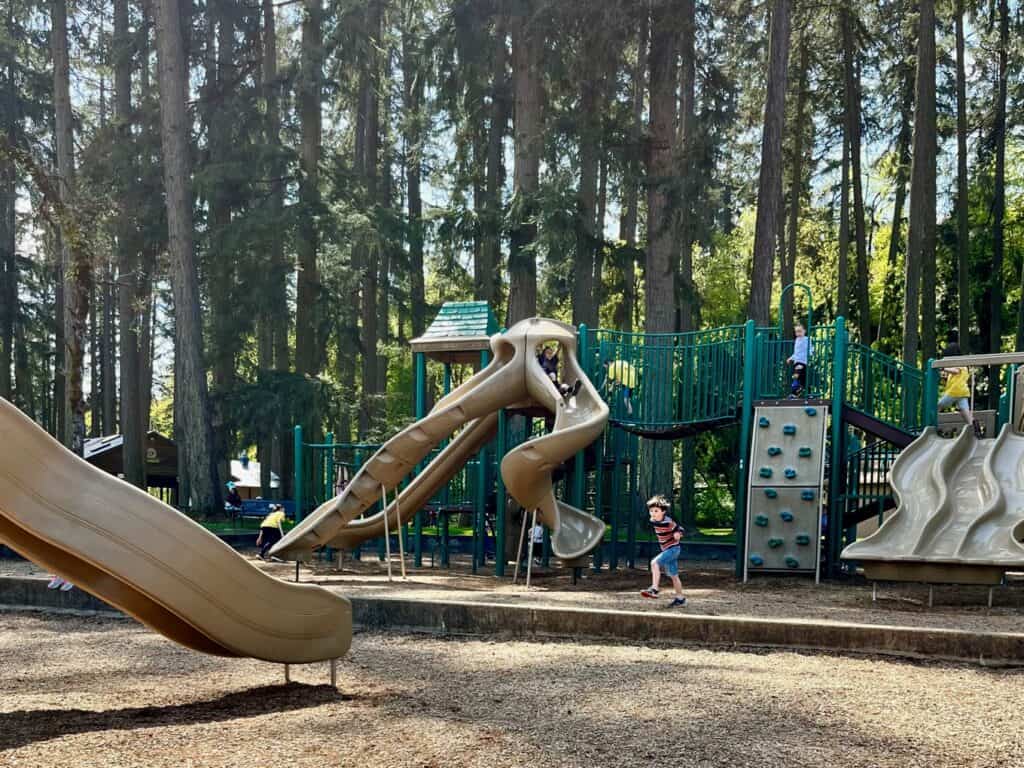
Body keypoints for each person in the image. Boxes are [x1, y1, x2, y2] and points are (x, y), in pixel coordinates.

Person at [640, 495, 686, 607]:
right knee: (674, 576)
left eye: (656, 511)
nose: (653, 513)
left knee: (654, 563)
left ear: (663, 511)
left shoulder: (668, 522)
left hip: (673, 549)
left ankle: (654, 589)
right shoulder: (653, 520)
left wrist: (678, 534)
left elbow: (680, 529)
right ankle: (680, 598)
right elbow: (654, 518)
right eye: (651, 511)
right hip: (668, 549)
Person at [938, 342, 982, 438]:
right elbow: (956, 375)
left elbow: (956, 371)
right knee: (965, 411)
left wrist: (943, 368)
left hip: (955, 391)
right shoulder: (964, 364)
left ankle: (932, 425)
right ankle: (975, 427)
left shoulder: (959, 363)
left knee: (938, 405)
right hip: (962, 392)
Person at [786, 323, 811, 398]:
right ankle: (808, 393)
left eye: (800, 331)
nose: (798, 333)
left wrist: (810, 353)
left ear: (804, 331)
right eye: (796, 332)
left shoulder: (806, 339)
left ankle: (794, 393)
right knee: (803, 379)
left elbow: (810, 348)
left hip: (802, 362)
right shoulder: (797, 340)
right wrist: (791, 358)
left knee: (795, 376)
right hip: (797, 361)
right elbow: (796, 352)